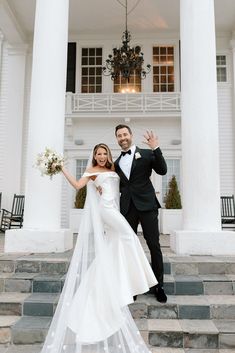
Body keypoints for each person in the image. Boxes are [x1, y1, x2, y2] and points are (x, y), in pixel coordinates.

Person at [40, 143, 157, 353]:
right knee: (129, 236)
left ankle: (114, 278)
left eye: (104, 153)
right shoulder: (92, 171)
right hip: (106, 210)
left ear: (108, 155)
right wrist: (61, 167)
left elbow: (122, 187)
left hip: (115, 209)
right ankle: (132, 280)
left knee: (118, 242)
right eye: (98, 154)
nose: (101, 156)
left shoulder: (113, 169)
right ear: (94, 156)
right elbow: (77, 186)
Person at [114, 124, 168, 303]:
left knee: (154, 244)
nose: (122, 138)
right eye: (119, 136)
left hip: (147, 205)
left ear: (130, 135)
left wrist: (156, 148)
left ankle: (158, 285)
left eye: (124, 134)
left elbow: (162, 170)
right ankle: (133, 285)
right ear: (117, 139)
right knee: (128, 247)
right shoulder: (116, 163)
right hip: (127, 208)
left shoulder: (146, 154)